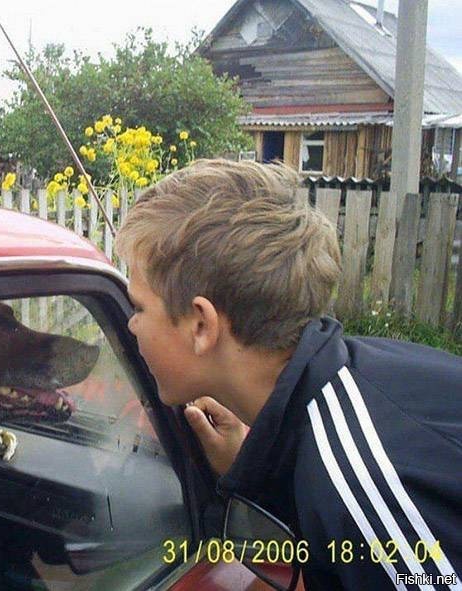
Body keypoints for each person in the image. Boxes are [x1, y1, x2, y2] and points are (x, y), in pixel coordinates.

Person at [113, 159, 461, 590]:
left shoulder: (360, 482)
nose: (131, 325)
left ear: (201, 325)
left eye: (139, 307)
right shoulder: (358, 375)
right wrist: (255, 467)